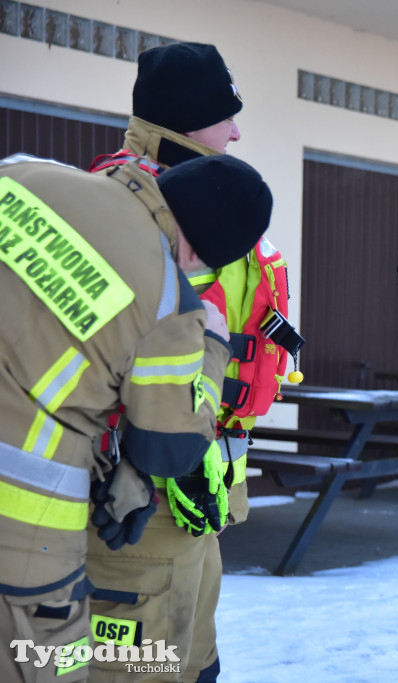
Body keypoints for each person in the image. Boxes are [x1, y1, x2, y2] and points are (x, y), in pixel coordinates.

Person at [0, 152, 272, 683]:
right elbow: (169, 448)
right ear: (196, 249)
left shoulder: (24, 175)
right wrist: (212, 344)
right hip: (23, 538)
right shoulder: (169, 300)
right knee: (56, 662)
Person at [85, 42, 299, 683]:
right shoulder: (124, 209)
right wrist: (152, 468)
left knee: (196, 663)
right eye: (224, 116)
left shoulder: (196, 195)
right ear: (183, 120)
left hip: (197, 501)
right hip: (138, 502)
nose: (237, 131)